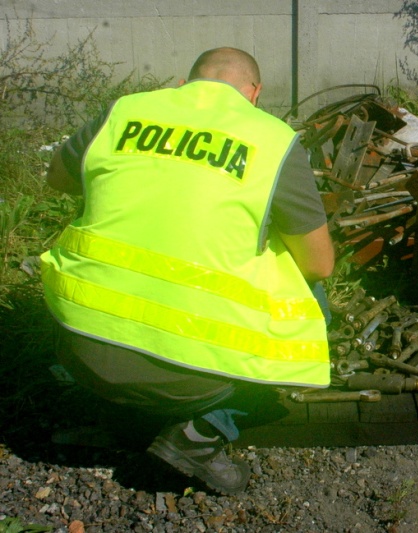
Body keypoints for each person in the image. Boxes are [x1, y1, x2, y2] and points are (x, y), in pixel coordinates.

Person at [41, 47, 335, 495]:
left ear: (184, 83)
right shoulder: (271, 138)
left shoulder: (126, 110)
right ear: (254, 94)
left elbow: (58, 179)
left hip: (78, 352)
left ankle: (121, 409)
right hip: (187, 380)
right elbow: (320, 264)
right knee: (315, 304)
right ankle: (202, 432)